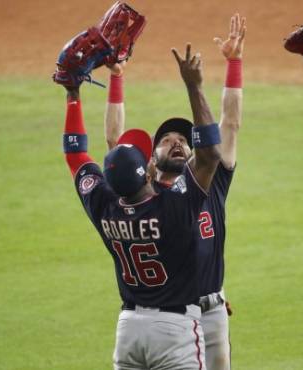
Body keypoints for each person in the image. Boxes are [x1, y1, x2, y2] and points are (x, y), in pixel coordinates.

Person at [60, 43, 221, 370]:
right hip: (175, 332)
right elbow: (209, 156)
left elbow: (76, 155)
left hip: (129, 330)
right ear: (148, 172)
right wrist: (194, 85)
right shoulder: (174, 207)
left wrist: (73, 94)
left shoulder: (104, 206)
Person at [104, 14, 246, 370]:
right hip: (170, 317)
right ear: (150, 160)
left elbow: (229, 124)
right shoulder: (144, 196)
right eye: (166, 141)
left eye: (183, 139)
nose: (177, 144)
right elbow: (113, 145)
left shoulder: (211, 182)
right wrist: (116, 78)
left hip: (211, 312)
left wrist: (234, 63)